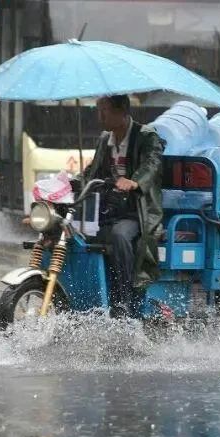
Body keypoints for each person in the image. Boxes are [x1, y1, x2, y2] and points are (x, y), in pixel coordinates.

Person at [79, 95, 164, 317]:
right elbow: (92, 172)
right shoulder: (105, 140)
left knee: (120, 235)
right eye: (98, 111)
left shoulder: (146, 136)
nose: (100, 116)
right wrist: (69, 183)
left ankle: (126, 298)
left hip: (139, 211)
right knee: (77, 233)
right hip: (109, 208)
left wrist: (135, 181)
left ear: (122, 111)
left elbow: (152, 163)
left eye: (104, 111)